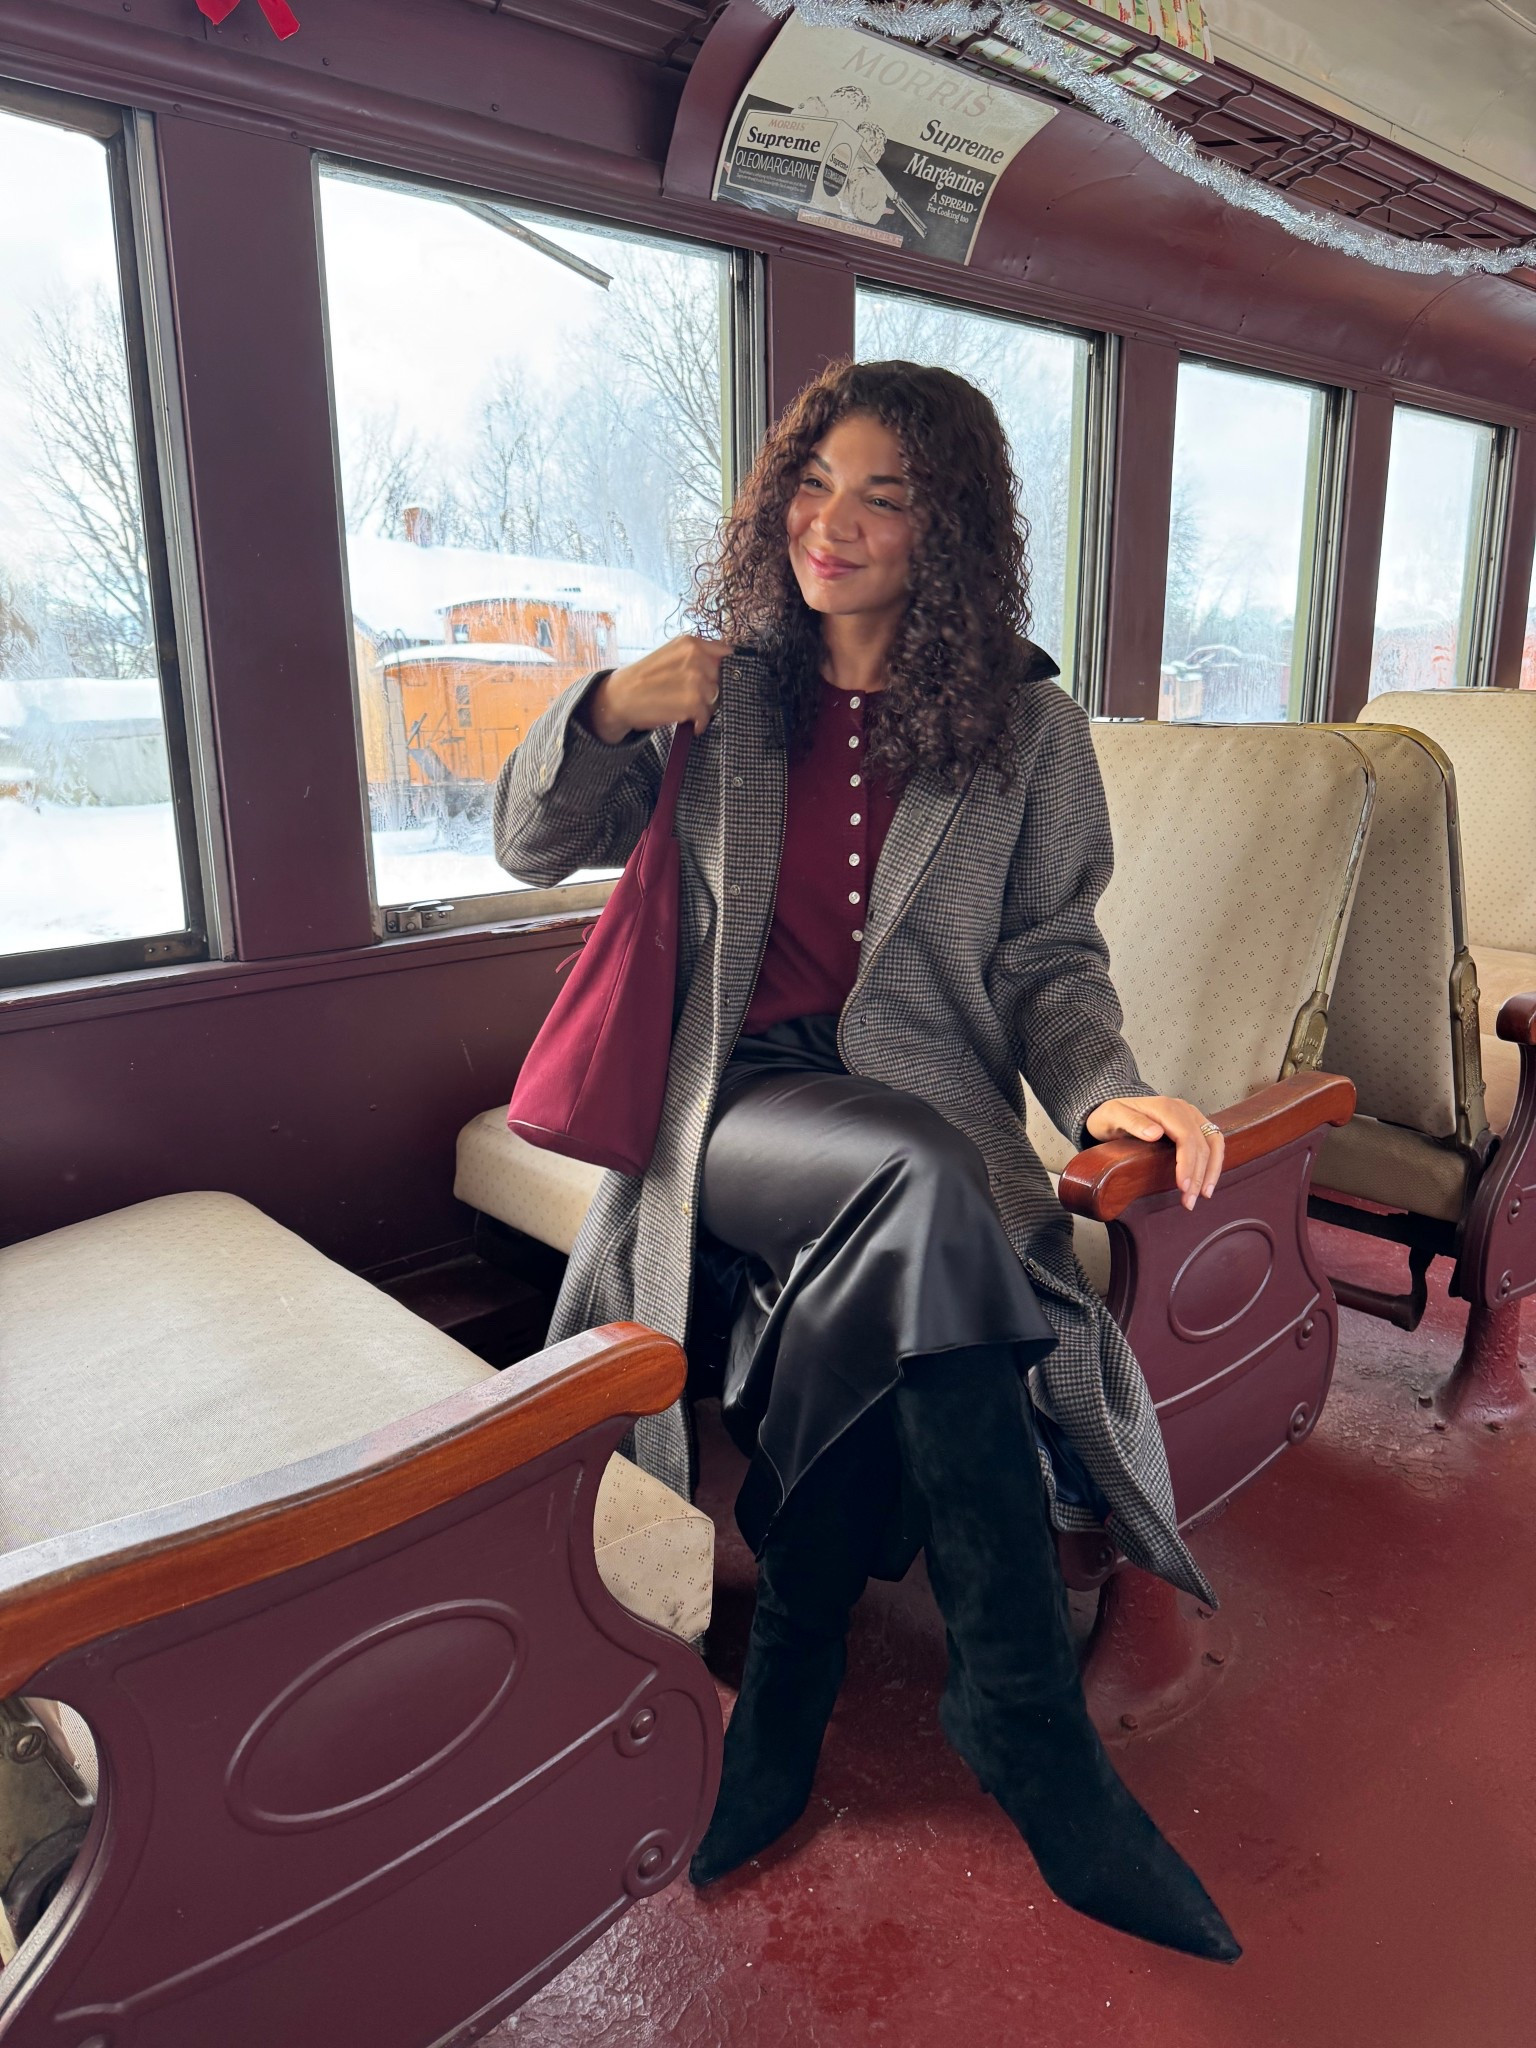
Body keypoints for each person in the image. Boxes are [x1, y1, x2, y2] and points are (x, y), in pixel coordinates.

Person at [494, 359, 1238, 1964]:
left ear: (948, 526)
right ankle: (1027, 1722)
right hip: (732, 1107)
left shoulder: (1026, 726)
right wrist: (610, 704)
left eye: (884, 493)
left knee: (909, 1205)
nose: (833, 522)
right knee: (917, 1189)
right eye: (813, 483)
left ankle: (793, 1685)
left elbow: (1051, 957)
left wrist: (1111, 1093)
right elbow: (526, 839)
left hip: (919, 1115)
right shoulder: (726, 690)